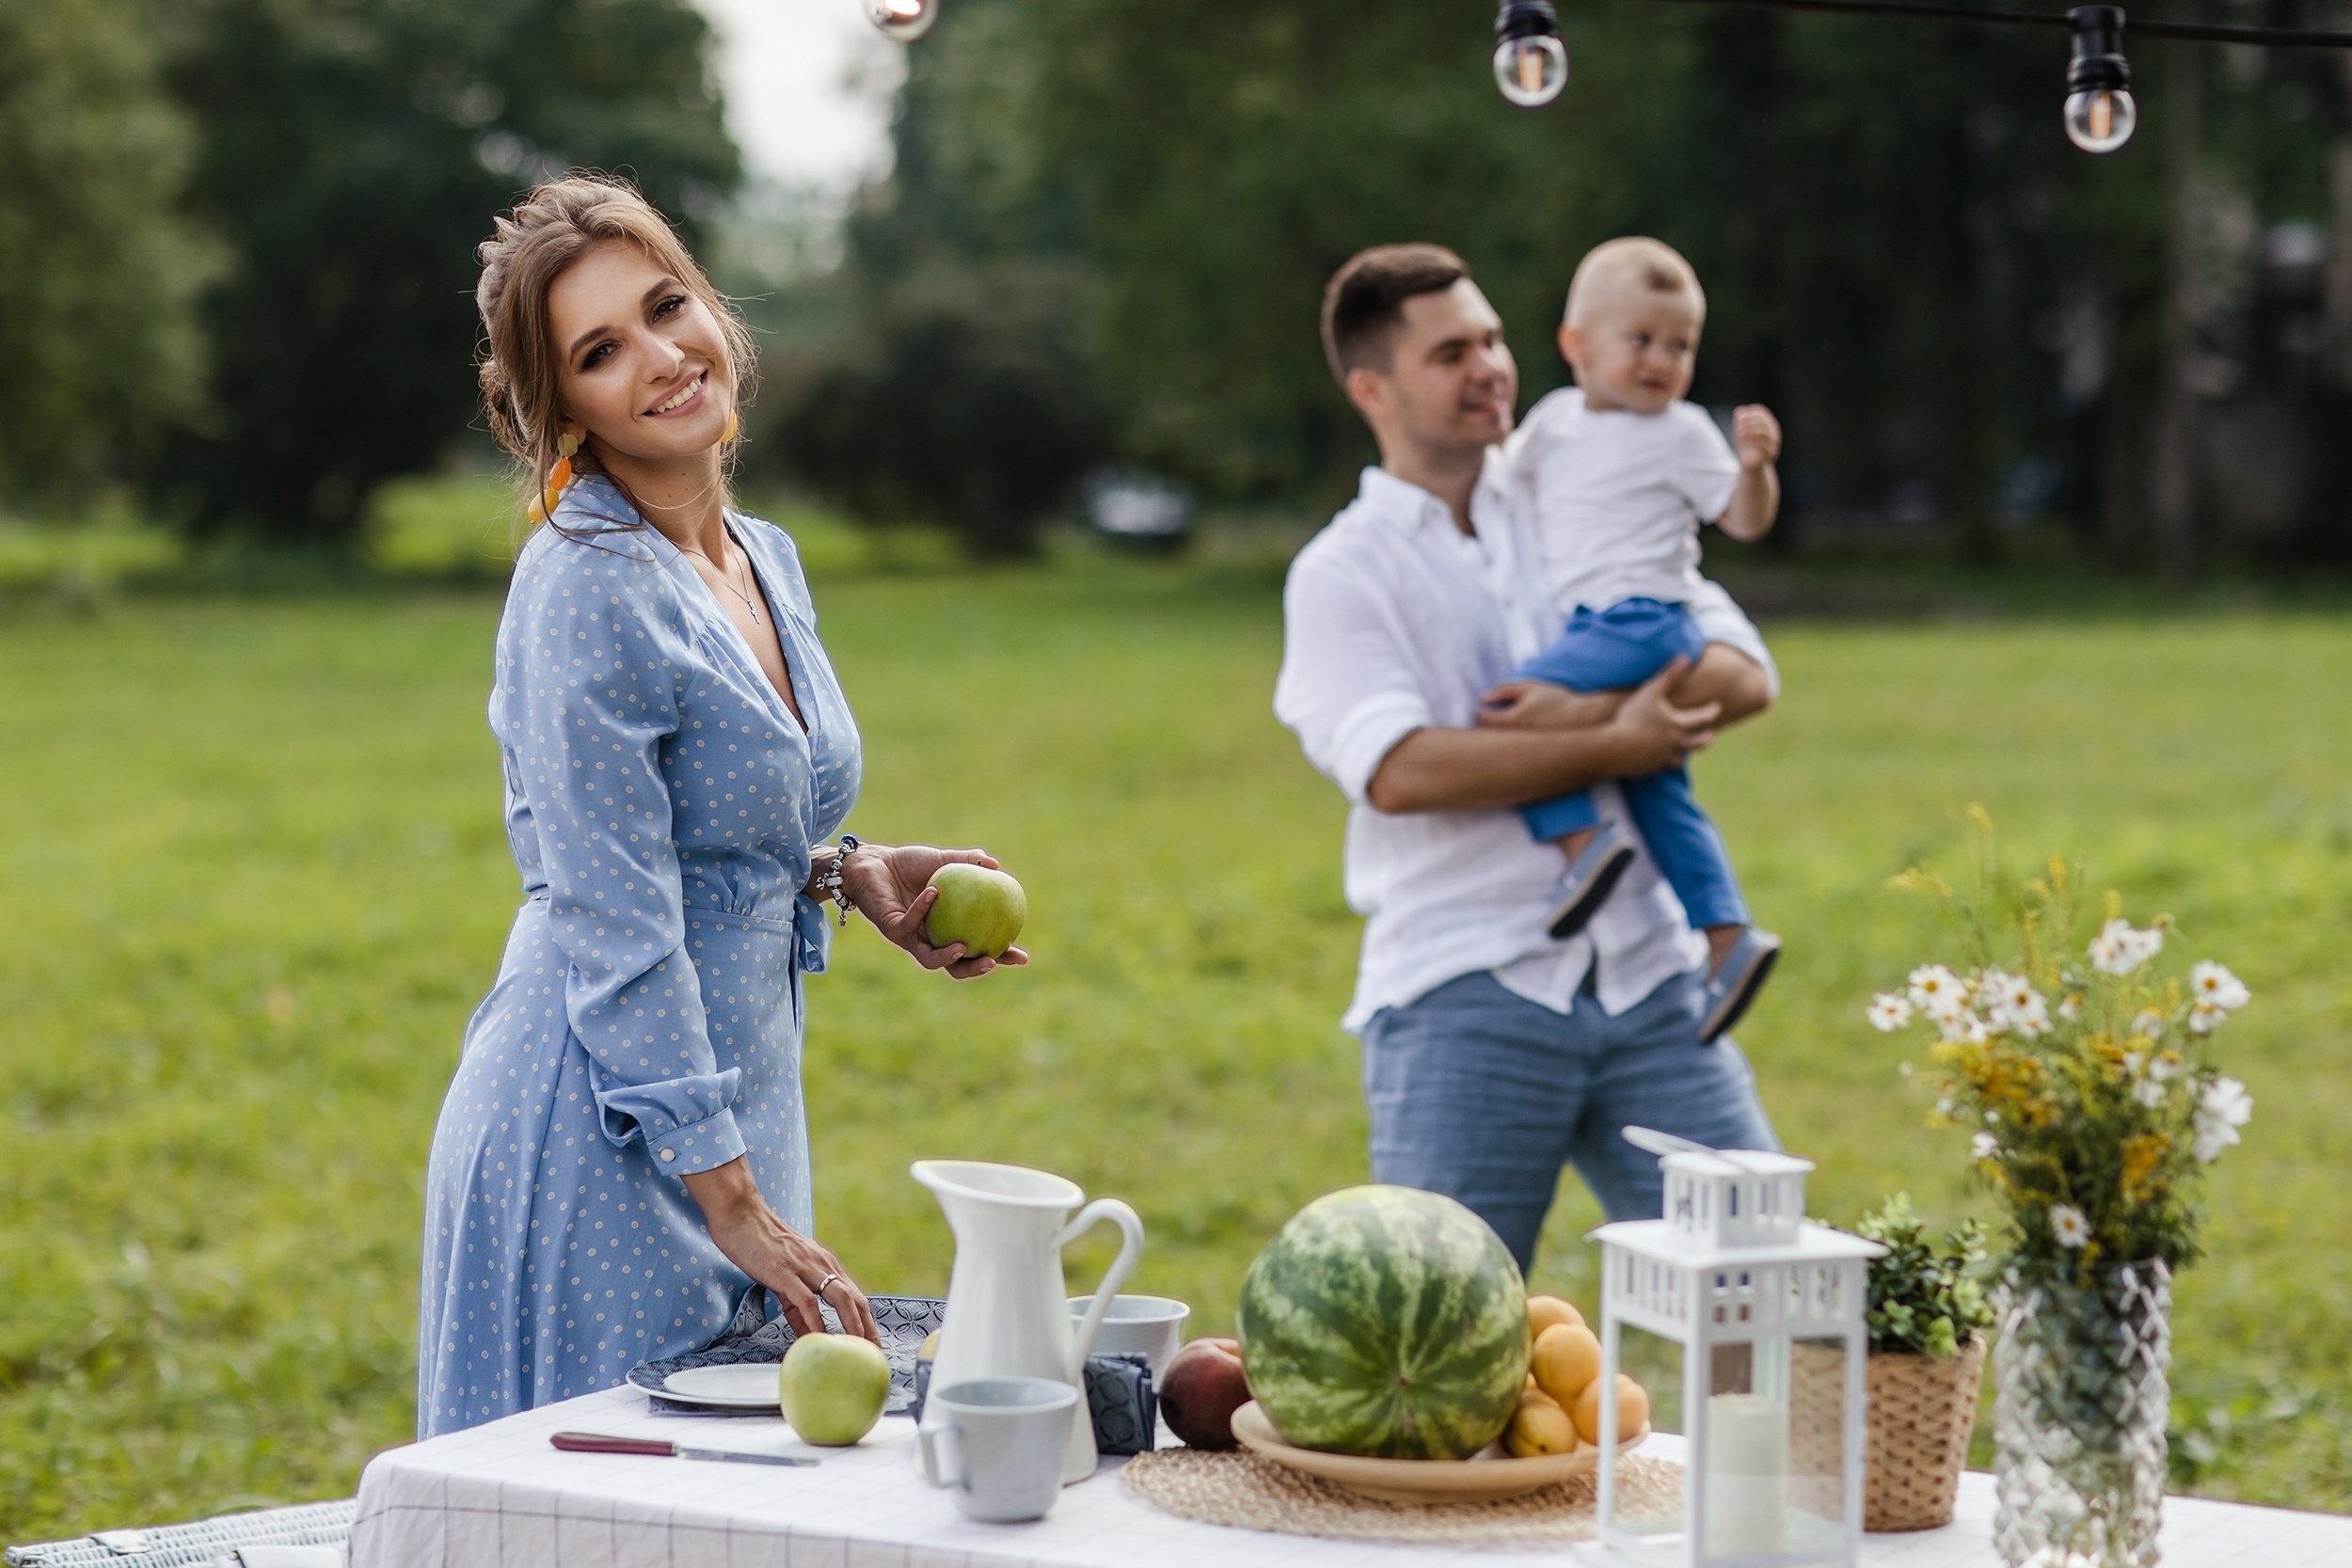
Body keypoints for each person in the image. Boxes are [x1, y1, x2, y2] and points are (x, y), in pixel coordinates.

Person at [417, 176, 1026, 1437]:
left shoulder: (762, 556)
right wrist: (733, 1200)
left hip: (734, 1110)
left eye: (665, 305)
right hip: (599, 1129)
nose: (659, 355)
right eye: (599, 350)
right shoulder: (583, 582)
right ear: (560, 409)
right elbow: (613, 911)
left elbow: (714, 823)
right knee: (611, 1508)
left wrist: (843, 870)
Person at [1272, 243, 1780, 1272]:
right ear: (1370, 387)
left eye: (1495, 339)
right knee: (1432, 1339)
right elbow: (1402, 770)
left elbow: (1742, 671)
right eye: (1452, 352)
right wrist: (1616, 740)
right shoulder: (1340, 572)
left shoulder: (1585, 488)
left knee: (1775, 1304)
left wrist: (1583, 710)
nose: (1491, 367)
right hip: (1464, 992)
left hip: (1652, 979)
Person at [1502, 236, 1786, 1044]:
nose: (1662, 361)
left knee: (1516, 713)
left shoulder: (1684, 433)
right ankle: (1729, 938)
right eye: (1642, 341)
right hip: (1600, 624)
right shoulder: (1554, 422)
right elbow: (1501, 487)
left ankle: (1585, 844)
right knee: (1659, 785)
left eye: (1681, 345)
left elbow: (1742, 519)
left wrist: (1755, 469)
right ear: (1575, 346)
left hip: (1645, 620)